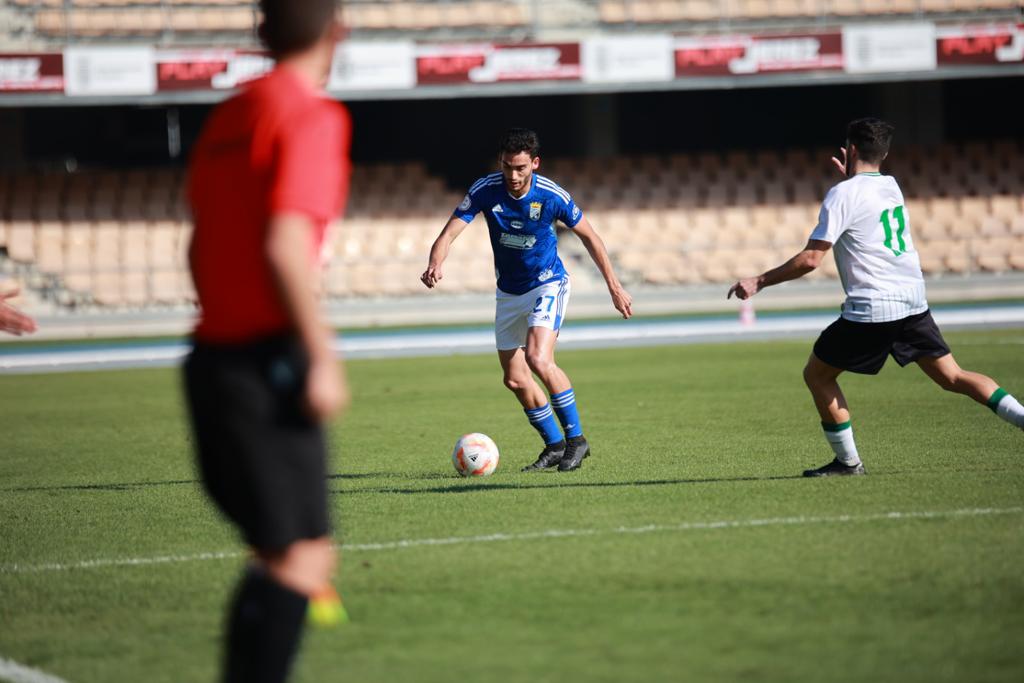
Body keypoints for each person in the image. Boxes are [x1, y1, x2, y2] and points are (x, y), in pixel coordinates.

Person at [184, 1, 351, 681]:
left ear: (260, 31)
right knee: (301, 557)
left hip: (209, 360)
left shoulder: (229, 114)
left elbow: (200, 239)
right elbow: (286, 245)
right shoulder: (312, 114)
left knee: (280, 550)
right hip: (265, 362)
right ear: (338, 32)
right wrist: (320, 353)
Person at [728, 117, 1024, 477]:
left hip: (874, 307)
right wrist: (849, 185)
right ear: (884, 153)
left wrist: (759, 280)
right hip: (913, 300)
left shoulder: (843, 194)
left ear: (850, 150)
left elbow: (811, 259)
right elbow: (864, 208)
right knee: (952, 376)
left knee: (818, 375)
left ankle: (849, 463)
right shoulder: (891, 185)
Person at [421, 128, 633, 472]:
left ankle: (577, 440)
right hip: (508, 292)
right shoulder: (485, 190)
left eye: (520, 168)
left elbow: (590, 237)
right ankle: (554, 445)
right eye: (507, 167)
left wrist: (614, 286)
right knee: (515, 379)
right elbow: (450, 231)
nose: (513, 175)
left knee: (538, 357)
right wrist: (436, 261)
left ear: (534, 163)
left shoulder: (551, 195)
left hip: (547, 283)